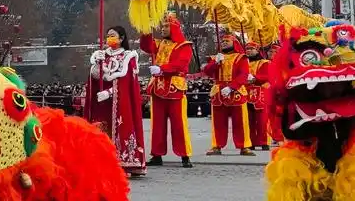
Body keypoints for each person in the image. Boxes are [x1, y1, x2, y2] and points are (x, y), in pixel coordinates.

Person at [86, 26, 146, 177]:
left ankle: (124, 162)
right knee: (101, 129)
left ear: (121, 38)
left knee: (121, 129)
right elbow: (94, 77)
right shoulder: (101, 55)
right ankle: (102, 162)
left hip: (120, 102)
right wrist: (97, 66)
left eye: (113, 35)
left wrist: (109, 92)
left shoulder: (128, 57)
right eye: (107, 36)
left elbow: (126, 83)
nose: (109, 38)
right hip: (102, 104)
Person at [139, 13, 193, 168]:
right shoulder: (159, 43)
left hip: (175, 87)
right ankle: (156, 154)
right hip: (158, 88)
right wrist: (146, 29)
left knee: (179, 124)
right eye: (161, 26)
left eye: (165, 26)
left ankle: (184, 155)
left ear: (174, 28)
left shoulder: (184, 46)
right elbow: (146, 46)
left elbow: (181, 65)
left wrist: (161, 68)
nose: (162, 29)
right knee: (157, 124)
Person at [202, 32, 254, 156]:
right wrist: (215, 63)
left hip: (235, 91)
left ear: (234, 43)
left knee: (240, 121)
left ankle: (244, 146)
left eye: (227, 41)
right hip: (219, 91)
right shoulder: (216, 57)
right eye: (223, 41)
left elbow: (243, 75)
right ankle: (217, 145)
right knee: (218, 122)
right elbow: (207, 72)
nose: (224, 43)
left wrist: (232, 87)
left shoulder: (241, 57)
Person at [245, 41, 271, 151]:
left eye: (251, 49)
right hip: (246, 92)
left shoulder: (265, 62)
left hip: (260, 92)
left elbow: (267, 76)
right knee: (248, 119)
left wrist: (255, 78)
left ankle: (264, 142)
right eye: (247, 49)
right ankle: (251, 142)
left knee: (262, 120)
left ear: (257, 50)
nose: (249, 51)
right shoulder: (244, 62)